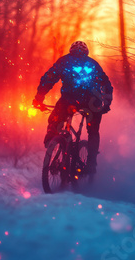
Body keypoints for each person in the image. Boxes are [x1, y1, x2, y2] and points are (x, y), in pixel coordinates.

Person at [32, 41, 113, 174]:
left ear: (71, 50)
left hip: (69, 101)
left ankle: (51, 139)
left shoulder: (64, 61)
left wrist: (39, 98)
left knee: (56, 118)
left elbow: (49, 79)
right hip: (92, 103)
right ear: (86, 52)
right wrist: (107, 103)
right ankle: (91, 162)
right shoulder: (93, 64)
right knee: (93, 131)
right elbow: (106, 84)